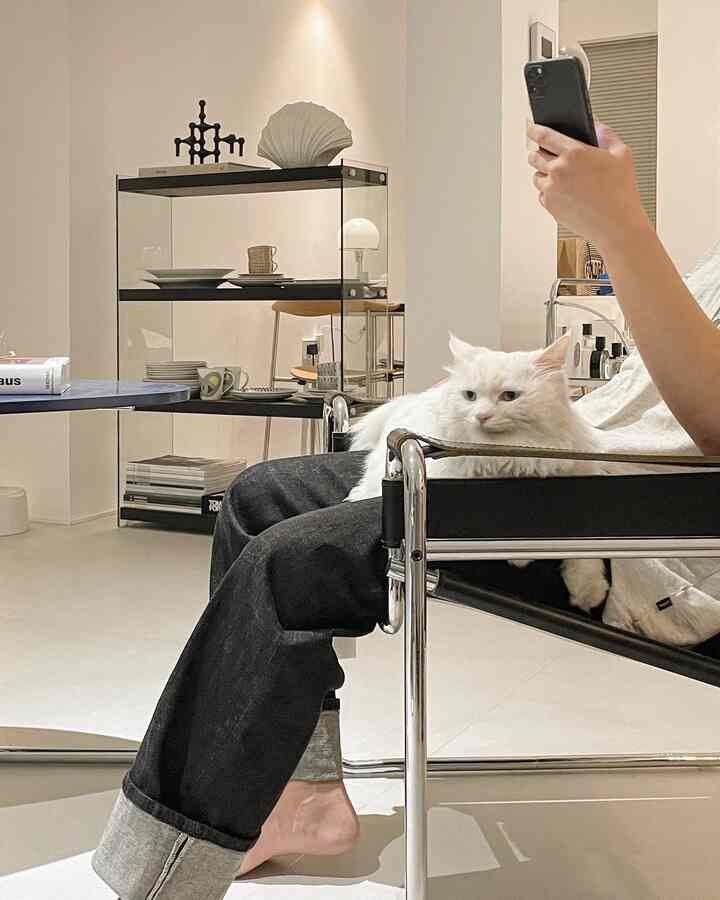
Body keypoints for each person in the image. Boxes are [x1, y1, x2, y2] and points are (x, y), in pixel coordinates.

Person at [92, 122, 720, 899]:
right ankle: (304, 794)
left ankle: (162, 875)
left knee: (292, 560)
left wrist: (620, 226)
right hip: (588, 460)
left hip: (641, 507)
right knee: (261, 495)